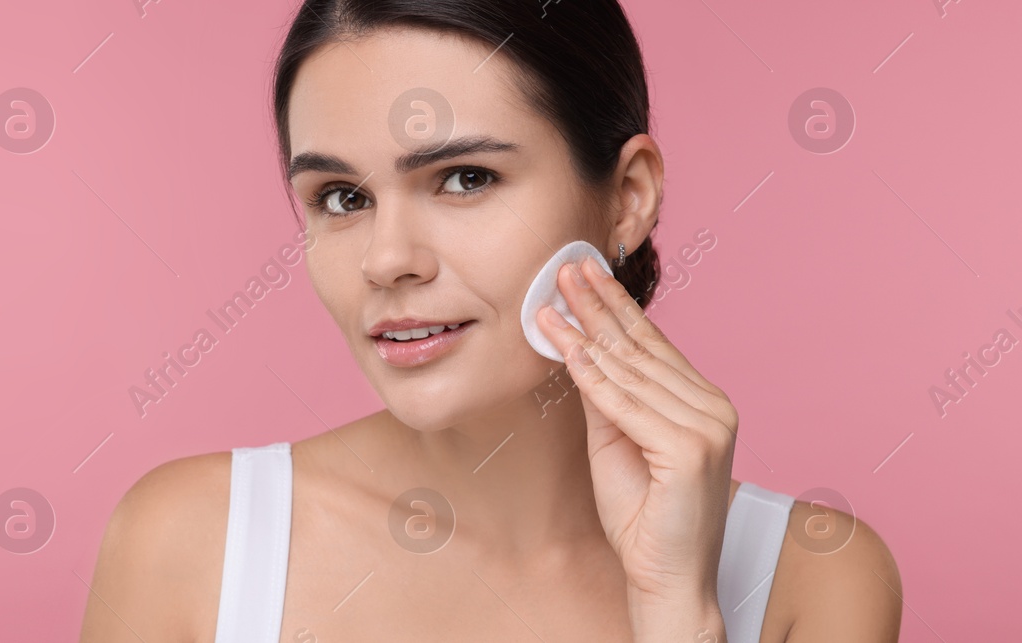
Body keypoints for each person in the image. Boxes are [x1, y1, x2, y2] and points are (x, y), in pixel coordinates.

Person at [81, 1, 902, 641]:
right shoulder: (192, 543)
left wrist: (672, 604)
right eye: (342, 198)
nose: (386, 258)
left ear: (629, 197)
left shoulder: (813, 578)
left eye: (466, 178)